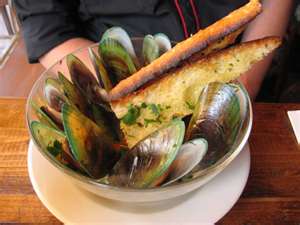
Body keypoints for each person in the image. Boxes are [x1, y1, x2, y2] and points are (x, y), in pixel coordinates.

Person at [14, 0, 293, 99]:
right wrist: (138, 97)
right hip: (117, 89)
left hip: (255, 73)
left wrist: (244, 80)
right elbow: (48, 28)